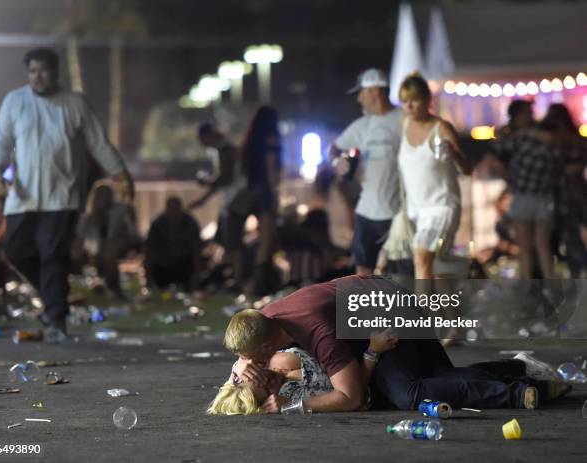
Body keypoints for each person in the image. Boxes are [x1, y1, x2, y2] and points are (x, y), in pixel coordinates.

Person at [223, 275, 568, 414]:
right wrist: (240, 368)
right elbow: (249, 347)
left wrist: (287, 409)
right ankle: (520, 369)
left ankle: (519, 391)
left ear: (268, 346)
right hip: (382, 302)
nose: (252, 366)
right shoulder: (264, 320)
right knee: (441, 376)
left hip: (391, 314)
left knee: (409, 394)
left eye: (253, 360)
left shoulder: (317, 331)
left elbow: (352, 397)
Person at [0, 48, 133, 341]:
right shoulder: (15, 101)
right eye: (32, 71)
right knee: (15, 249)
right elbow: (0, 141)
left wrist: (120, 174)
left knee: (52, 255)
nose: (37, 77)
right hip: (23, 195)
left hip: (62, 195)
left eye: (44, 70)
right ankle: (54, 298)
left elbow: (98, 142)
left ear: (56, 72)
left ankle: (56, 319)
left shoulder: (74, 103)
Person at [330, 68, 411, 277]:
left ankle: (406, 310)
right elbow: (334, 147)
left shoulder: (404, 119)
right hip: (366, 212)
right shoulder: (362, 126)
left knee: (404, 274)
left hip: (399, 214)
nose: (359, 98)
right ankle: (365, 310)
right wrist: (337, 162)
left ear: (375, 91)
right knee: (362, 274)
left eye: (362, 92)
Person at [208, 330, 398, 415]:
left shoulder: (270, 360)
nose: (269, 378)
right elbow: (356, 391)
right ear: (267, 403)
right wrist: (373, 351)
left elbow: (255, 329)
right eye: (266, 388)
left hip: (347, 337)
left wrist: (239, 364)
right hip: (374, 363)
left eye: (259, 376)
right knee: (410, 393)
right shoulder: (297, 395)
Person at [397, 73, 471, 279]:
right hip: (417, 211)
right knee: (436, 269)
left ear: (428, 100)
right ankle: (448, 302)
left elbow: (467, 169)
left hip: (442, 206)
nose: (409, 106)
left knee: (421, 258)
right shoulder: (403, 126)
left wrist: (454, 154)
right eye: (404, 101)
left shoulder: (441, 129)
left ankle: (421, 311)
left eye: (414, 100)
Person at [493, 104, 564, 281]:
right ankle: (530, 287)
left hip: (540, 195)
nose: (531, 115)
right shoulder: (512, 138)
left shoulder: (534, 133)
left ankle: (544, 285)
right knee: (527, 246)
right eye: (527, 113)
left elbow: (554, 142)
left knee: (541, 244)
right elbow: (497, 159)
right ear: (517, 116)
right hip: (524, 195)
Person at [190, 122, 247, 290]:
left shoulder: (223, 149)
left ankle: (237, 280)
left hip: (234, 200)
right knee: (226, 240)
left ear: (207, 136)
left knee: (233, 242)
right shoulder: (225, 148)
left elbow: (225, 179)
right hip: (233, 199)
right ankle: (232, 277)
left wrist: (205, 185)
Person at [541, 104, 587, 278]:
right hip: (573, 191)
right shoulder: (574, 138)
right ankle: (576, 270)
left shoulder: (555, 141)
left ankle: (577, 269)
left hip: (565, 193)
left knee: (570, 234)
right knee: (571, 234)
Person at [241, 106, 283, 296]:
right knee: (266, 242)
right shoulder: (271, 139)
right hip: (266, 192)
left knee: (266, 239)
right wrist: (275, 192)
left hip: (252, 191)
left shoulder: (251, 141)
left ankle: (264, 282)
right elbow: (272, 167)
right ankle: (255, 286)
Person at [71, 184, 140, 298]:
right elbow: (80, 239)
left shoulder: (119, 211)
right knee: (93, 254)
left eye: (106, 196)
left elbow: (130, 224)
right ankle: (106, 284)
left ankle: (113, 287)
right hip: (96, 250)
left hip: (119, 245)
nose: (104, 199)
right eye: (101, 196)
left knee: (109, 254)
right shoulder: (87, 219)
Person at [144, 197, 202, 291]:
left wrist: (196, 277)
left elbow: (196, 250)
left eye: (176, 209)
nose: (174, 213)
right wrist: (148, 279)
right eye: (171, 209)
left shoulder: (190, 223)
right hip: (163, 266)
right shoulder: (158, 224)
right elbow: (148, 252)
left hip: (184, 265)